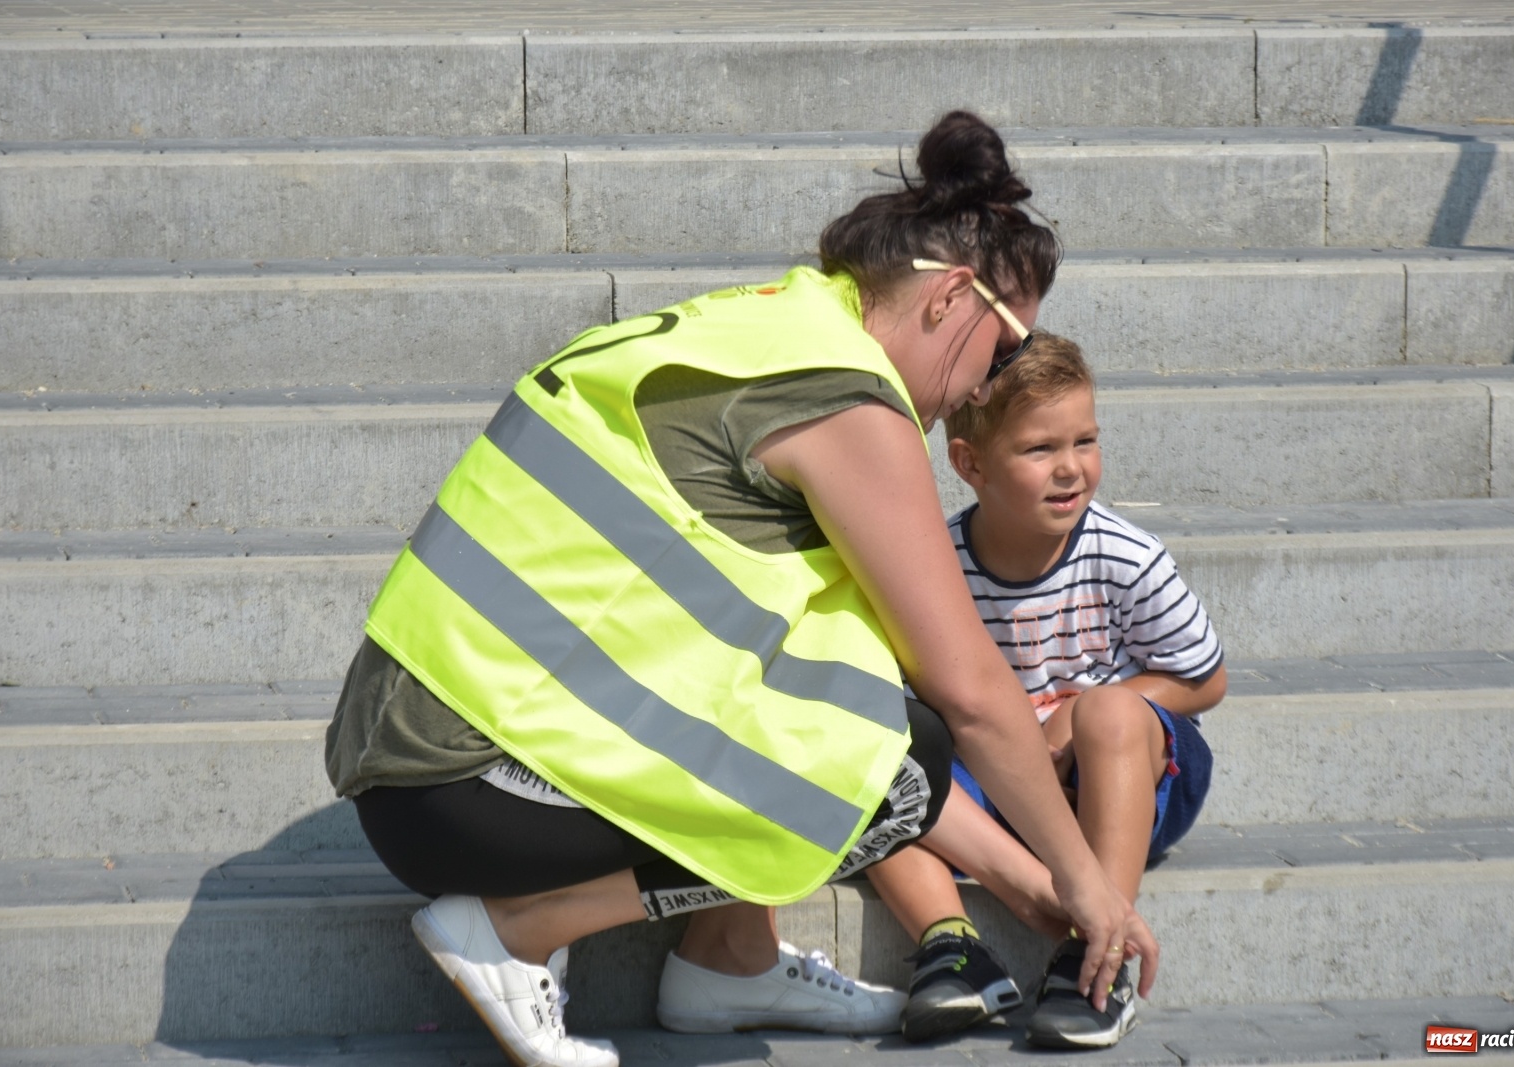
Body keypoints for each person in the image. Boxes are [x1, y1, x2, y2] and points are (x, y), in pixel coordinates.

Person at [324, 112, 1157, 1067]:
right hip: (472, 784)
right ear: (952, 300)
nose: (982, 388)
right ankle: (522, 926)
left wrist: (1025, 883)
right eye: (1004, 352)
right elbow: (967, 701)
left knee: (818, 693)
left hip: (426, 755)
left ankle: (731, 956)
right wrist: (1086, 886)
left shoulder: (773, 323)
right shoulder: (849, 400)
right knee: (906, 751)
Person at [866, 332, 1225, 1049]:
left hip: (1114, 783)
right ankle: (953, 948)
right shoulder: (937, 565)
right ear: (970, 464)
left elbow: (1204, 676)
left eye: (1084, 441)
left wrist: (1075, 714)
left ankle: (1101, 953)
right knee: (874, 751)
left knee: (1114, 710)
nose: (1071, 469)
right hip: (993, 795)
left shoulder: (1123, 555)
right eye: (1039, 450)